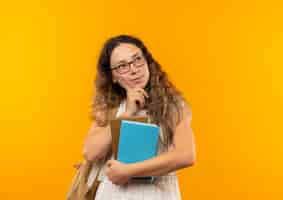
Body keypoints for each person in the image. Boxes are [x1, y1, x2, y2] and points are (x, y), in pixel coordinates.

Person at [83, 34, 196, 200]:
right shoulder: (110, 108)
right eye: (122, 66)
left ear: (147, 61)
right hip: (113, 194)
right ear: (113, 76)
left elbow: (186, 155)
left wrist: (129, 171)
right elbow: (91, 152)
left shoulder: (172, 105)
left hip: (158, 194)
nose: (134, 69)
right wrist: (127, 114)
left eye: (137, 60)